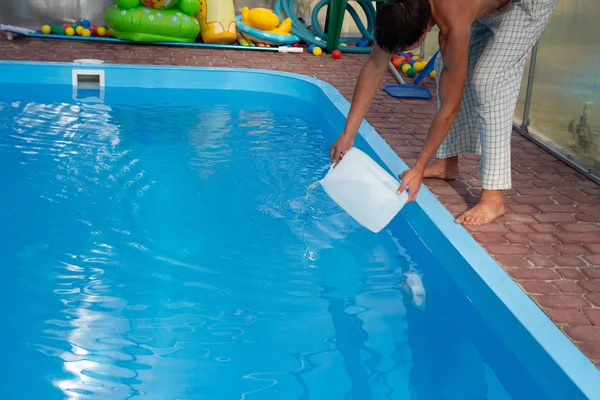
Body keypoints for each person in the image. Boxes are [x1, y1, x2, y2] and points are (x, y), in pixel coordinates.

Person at [330, 0, 558, 225]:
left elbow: (450, 108)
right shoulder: (403, 7)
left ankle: (493, 197)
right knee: (445, 66)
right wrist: (348, 133)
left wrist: (418, 168)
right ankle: (447, 163)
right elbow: (375, 65)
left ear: (424, 32)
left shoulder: (453, 26)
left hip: (527, 4)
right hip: (477, 6)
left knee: (489, 79)